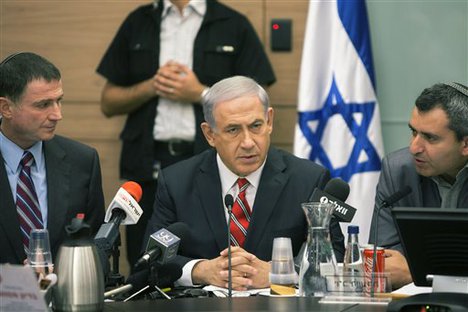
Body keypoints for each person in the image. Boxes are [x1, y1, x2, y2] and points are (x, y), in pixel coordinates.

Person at [96, 0, 276, 268]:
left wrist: (200, 94)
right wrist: (152, 86)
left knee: (211, 253)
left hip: (209, 164)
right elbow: (108, 101)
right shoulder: (139, 21)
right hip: (147, 166)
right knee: (145, 260)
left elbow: (256, 99)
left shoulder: (231, 23)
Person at [144, 76, 345, 290]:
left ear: (269, 121)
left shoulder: (309, 179)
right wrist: (202, 271)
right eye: (233, 130)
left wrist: (281, 271)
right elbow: (151, 261)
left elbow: (336, 258)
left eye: (256, 125)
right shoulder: (177, 181)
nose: (248, 143)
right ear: (210, 134)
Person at [0, 52, 105, 265]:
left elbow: (97, 246)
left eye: (59, 101)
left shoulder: (83, 161)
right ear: (6, 108)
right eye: (43, 105)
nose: (57, 114)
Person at [369, 82, 468, 289]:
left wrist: (416, 273)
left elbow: (405, 270)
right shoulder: (398, 170)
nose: (414, 148)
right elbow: (387, 264)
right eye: (414, 132)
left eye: (430, 138)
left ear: (465, 144)